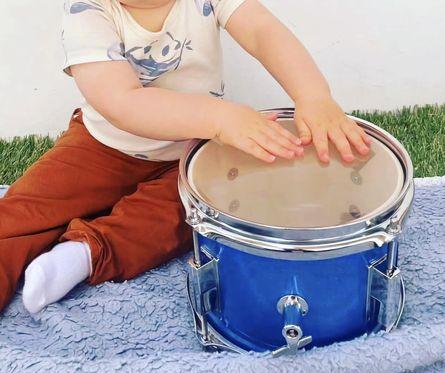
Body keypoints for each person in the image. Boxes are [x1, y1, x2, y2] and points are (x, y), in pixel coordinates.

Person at [0, 0, 371, 314]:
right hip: (102, 145)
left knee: (186, 216)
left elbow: (263, 31)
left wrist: (313, 95)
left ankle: (84, 253)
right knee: (26, 210)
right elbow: (122, 101)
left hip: (193, 153)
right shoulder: (87, 11)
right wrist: (221, 119)